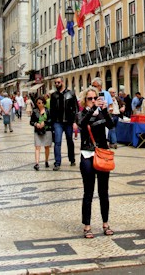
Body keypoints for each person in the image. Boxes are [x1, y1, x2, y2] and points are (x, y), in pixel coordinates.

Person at [77, 87, 116, 238]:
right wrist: (91, 109)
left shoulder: (101, 112)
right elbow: (81, 123)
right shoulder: (81, 114)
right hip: (87, 155)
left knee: (103, 191)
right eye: (90, 99)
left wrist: (105, 110)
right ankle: (87, 225)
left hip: (102, 155)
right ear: (84, 100)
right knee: (88, 191)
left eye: (95, 98)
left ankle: (105, 223)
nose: (93, 101)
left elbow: (111, 126)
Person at [49, 78, 78, 170]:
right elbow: (52, 110)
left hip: (68, 122)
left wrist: (75, 122)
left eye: (58, 82)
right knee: (57, 142)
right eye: (55, 83)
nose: (57, 84)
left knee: (70, 140)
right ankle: (57, 162)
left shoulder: (71, 94)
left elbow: (75, 108)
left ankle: (72, 159)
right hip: (57, 122)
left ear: (62, 82)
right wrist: (52, 123)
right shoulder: (53, 95)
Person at [30, 96, 53, 170]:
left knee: (46, 147)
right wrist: (36, 124)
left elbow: (51, 120)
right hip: (38, 131)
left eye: (42, 102)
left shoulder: (48, 110)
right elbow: (31, 122)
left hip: (47, 130)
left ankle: (46, 161)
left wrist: (45, 122)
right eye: (39, 103)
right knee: (37, 146)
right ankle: (37, 163)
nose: (40, 104)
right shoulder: (35, 111)